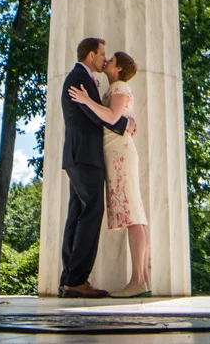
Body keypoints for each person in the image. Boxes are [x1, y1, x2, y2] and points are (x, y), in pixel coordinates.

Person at [69, 50, 151, 296]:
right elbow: (121, 118)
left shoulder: (118, 88)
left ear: (119, 69)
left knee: (133, 215)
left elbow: (113, 116)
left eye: (112, 60)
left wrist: (86, 101)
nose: (107, 61)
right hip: (117, 152)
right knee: (134, 214)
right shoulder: (118, 89)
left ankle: (138, 281)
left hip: (120, 155)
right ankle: (140, 279)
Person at [56, 37, 131, 298]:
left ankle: (69, 279)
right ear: (90, 55)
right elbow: (95, 114)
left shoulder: (79, 76)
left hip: (78, 156)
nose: (104, 58)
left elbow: (92, 112)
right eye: (102, 54)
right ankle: (76, 279)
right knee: (91, 211)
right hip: (86, 156)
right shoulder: (80, 77)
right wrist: (125, 125)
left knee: (77, 215)